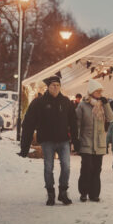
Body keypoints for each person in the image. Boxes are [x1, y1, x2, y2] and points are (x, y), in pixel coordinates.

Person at [20, 75, 78, 206]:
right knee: (48, 167)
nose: (56, 87)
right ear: (48, 87)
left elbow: (73, 122)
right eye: (53, 85)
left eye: (58, 85)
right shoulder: (39, 103)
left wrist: (76, 140)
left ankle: (63, 192)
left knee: (66, 167)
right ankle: (50, 193)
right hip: (47, 140)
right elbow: (28, 123)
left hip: (63, 140)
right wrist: (25, 146)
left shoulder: (66, 102)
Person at [75, 79, 113, 202]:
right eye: (97, 91)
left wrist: (107, 104)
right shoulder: (82, 105)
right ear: (91, 91)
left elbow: (111, 118)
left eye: (100, 91)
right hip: (86, 141)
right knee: (86, 168)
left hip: (99, 143)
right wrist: (76, 140)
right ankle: (83, 192)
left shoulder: (102, 105)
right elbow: (77, 123)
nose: (99, 93)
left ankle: (94, 194)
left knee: (97, 169)